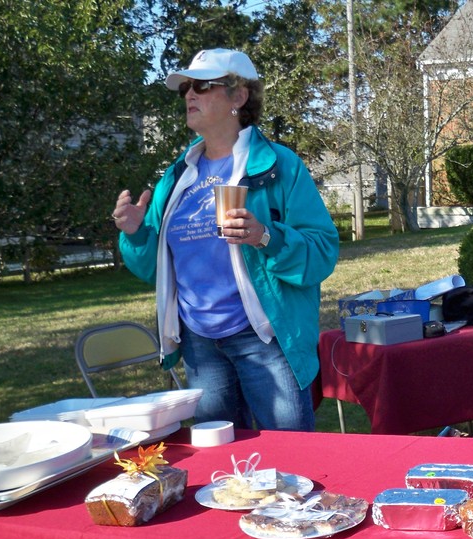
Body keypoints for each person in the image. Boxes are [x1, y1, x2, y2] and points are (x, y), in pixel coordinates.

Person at [112, 48, 339, 431]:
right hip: (199, 343)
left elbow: (322, 251)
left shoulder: (279, 166)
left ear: (239, 96)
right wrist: (136, 234)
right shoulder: (177, 176)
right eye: (186, 87)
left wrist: (265, 236)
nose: (189, 94)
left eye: (203, 85)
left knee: (291, 455)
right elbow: (154, 268)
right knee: (219, 457)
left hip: (264, 336)